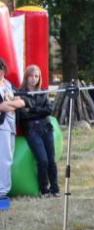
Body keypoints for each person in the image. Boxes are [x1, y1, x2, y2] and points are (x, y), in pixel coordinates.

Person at [17, 64, 60, 197]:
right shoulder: (20, 94)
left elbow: (49, 110)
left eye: (36, 76)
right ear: (26, 77)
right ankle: (44, 189)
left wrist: (32, 109)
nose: (33, 79)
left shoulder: (43, 92)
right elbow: (23, 115)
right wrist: (37, 111)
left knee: (51, 161)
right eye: (31, 76)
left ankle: (55, 188)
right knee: (43, 160)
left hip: (46, 128)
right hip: (31, 130)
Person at [0, 57, 25, 207]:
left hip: (10, 125)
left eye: (2, 69)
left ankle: (3, 190)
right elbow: (2, 107)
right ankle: (2, 192)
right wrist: (11, 104)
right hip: (2, 125)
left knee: (7, 158)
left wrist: (9, 104)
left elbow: (21, 102)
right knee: (3, 159)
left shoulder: (8, 84)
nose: (0, 73)